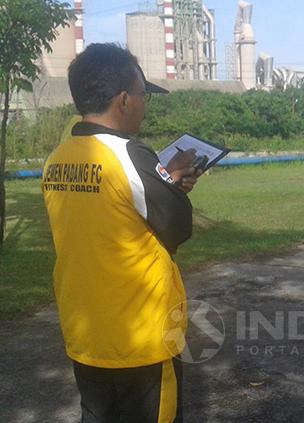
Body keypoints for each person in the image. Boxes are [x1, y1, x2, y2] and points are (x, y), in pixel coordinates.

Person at [41, 43, 201, 422]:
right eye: (144, 95)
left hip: (86, 334)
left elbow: (108, 214)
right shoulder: (130, 156)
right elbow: (179, 227)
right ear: (125, 100)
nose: (145, 106)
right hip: (140, 338)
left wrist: (165, 178)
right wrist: (172, 184)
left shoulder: (57, 159)